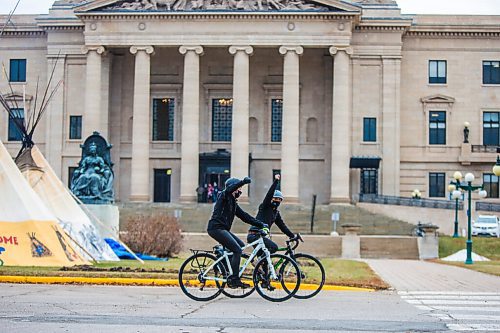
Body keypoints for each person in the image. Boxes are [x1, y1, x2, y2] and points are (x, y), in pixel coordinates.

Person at [207, 176, 267, 289]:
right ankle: (234, 279)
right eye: (238, 189)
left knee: (240, 246)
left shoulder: (233, 203)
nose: (240, 191)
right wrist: (243, 182)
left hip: (223, 229)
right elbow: (229, 190)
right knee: (237, 250)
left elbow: (245, 217)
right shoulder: (223, 196)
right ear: (232, 188)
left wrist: (260, 224)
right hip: (216, 228)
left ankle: (225, 267)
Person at [247, 174, 296, 255]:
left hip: (262, 236)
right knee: (273, 248)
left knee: (265, 262)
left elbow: (282, 226)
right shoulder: (265, 206)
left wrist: (292, 236)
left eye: (279, 199)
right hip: (254, 235)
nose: (277, 200)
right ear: (271, 199)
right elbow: (269, 195)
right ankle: (260, 263)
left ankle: (260, 265)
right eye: (275, 198)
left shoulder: (276, 213)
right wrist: (276, 181)